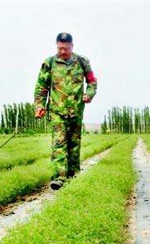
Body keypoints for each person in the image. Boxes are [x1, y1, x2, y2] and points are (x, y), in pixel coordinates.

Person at [34, 32, 98, 190]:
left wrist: (89, 94)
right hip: (57, 112)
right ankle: (59, 177)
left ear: (72, 46)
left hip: (76, 111)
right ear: (57, 46)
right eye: (60, 48)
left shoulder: (82, 62)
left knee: (74, 146)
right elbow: (41, 87)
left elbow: (92, 82)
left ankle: (73, 176)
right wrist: (39, 106)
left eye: (66, 48)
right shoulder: (49, 63)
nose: (63, 52)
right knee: (59, 144)